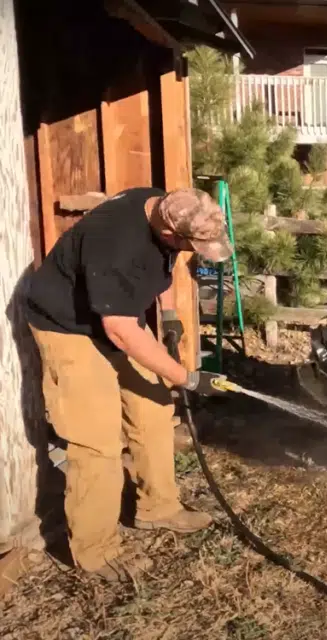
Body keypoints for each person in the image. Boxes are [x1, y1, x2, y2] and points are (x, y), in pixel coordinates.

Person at [22, 186, 232, 582]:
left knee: (154, 408)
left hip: (117, 319)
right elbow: (119, 332)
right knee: (96, 438)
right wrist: (187, 377)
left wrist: (167, 314)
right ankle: (95, 551)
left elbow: (163, 265)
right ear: (171, 232)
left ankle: (158, 508)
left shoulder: (162, 204)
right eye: (193, 245)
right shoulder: (114, 241)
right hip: (70, 328)